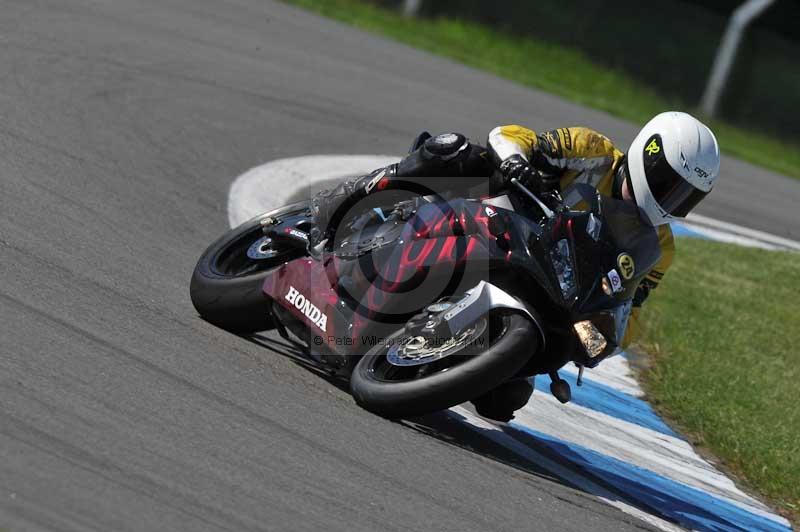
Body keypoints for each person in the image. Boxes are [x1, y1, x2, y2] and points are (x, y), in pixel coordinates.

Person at [310, 111, 721, 421]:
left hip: (550, 290)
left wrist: (605, 335)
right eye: (669, 184)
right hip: (505, 219)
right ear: (648, 157)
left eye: (687, 197)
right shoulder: (592, 151)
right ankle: (360, 193)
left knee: (503, 403)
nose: (672, 200)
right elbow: (508, 136)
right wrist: (516, 161)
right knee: (458, 152)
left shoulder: (660, 248)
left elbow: (630, 306)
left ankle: (427, 342)